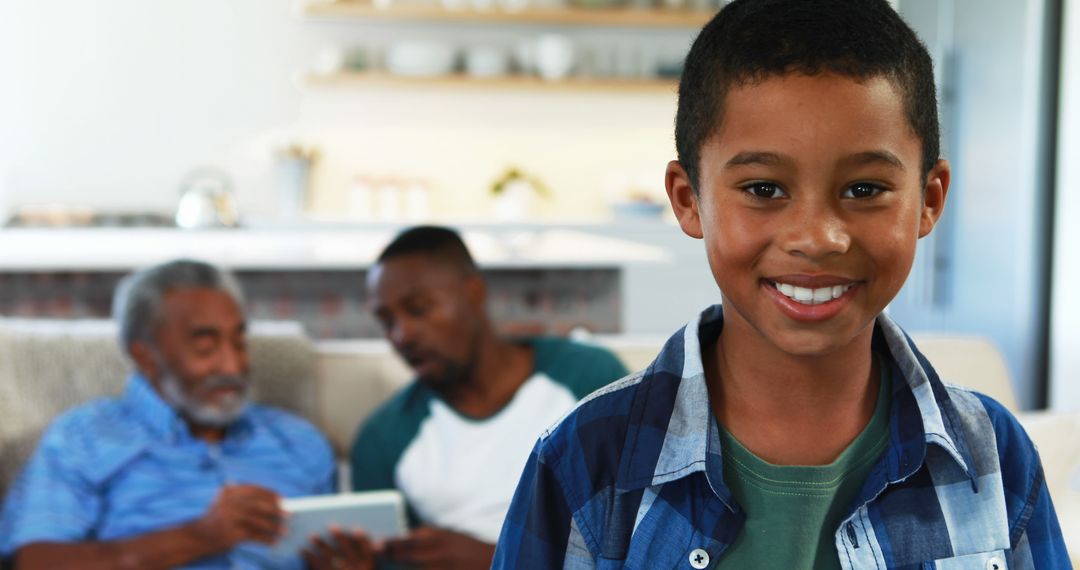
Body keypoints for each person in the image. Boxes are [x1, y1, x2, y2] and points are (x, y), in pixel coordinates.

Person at [492, 1, 1071, 568]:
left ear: (930, 200)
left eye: (865, 189)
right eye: (764, 189)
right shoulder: (583, 461)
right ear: (688, 200)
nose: (817, 238)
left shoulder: (995, 456)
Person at [0, 259, 347, 570]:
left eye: (239, 342)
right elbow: (36, 562)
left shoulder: (300, 442)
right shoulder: (83, 438)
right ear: (145, 356)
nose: (232, 365)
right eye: (205, 346)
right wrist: (200, 536)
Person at [338, 225, 628, 569]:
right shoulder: (382, 439)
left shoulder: (587, 376)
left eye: (418, 309)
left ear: (474, 292)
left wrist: (494, 558)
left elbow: (648, 520)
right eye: (386, 322)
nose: (402, 335)